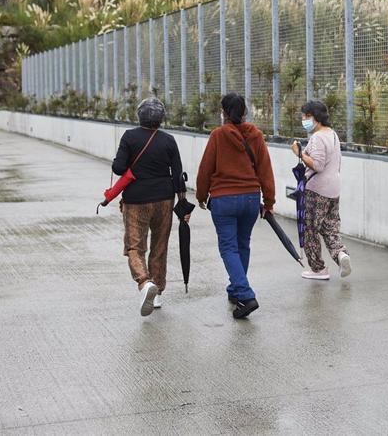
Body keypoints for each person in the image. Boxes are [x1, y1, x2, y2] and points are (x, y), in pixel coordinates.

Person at [196, 93, 275, 319]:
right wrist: (268, 201)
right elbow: (265, 171)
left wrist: (201, 195)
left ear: (224, 113)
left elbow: (205, 169)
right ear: (244, 112)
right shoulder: (256, 135)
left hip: (223, 199)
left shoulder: (218, 136)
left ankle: (246, 294)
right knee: (243, 244)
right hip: (251, 198)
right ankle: (235, 288)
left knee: (229, 247)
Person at [111, 98, 187, 317]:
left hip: (136, 200)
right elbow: (178, 175)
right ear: (161, 118)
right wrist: (182, 206)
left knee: (135, 246)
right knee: (159, 245)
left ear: (139, 116)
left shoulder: (129, 137)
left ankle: (145, 283)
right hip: (164, 198)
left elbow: (118, 168)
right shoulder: (169, 140)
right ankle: (157, 293)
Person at [291, 100, 351, 281]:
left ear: (316, 118)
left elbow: (317, 165)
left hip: (317, 190)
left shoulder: (317, 138)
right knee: (330, 227)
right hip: (334, 189)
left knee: (310, 229)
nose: (304, 120)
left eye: (306, 116)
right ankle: (341, 255)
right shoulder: (332, 134)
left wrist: (299, 153)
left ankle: (318, 269)